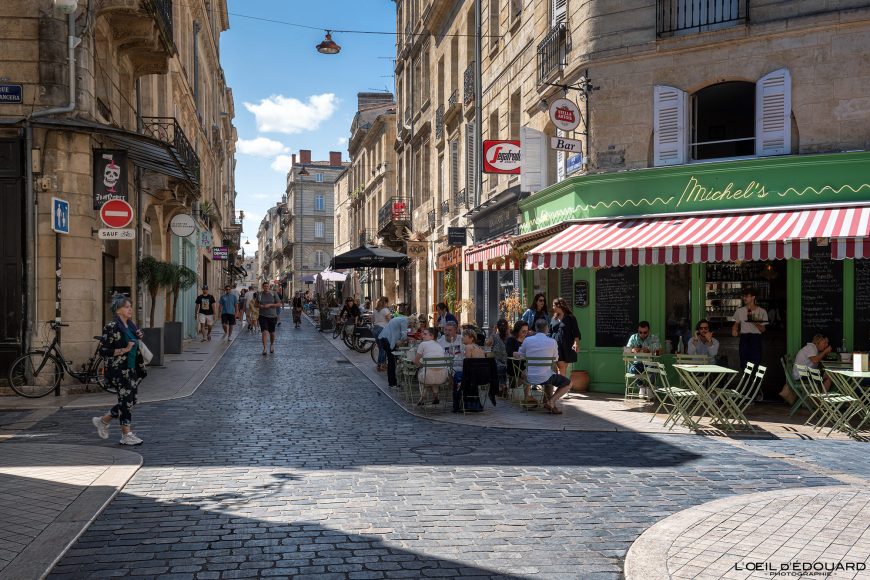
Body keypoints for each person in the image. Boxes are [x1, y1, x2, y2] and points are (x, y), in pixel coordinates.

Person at [91, 295, 147, 446]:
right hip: (119, 370)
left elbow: (135, 345)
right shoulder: (111, 327)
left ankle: (103, 421)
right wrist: (125, 349)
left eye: (130, 306)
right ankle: (126, 434)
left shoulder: (131, 326)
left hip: (132, 368)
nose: (130, 309)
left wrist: (139, 338)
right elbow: (104, 351)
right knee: (126, 401)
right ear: (118, 310)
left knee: (131, 401)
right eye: (127, 307)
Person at [518, 318, 572, 414]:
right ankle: (551, 402)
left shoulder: (527, 340)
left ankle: (528, 398)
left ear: (535, 328)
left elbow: (520, 355)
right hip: (546, 378)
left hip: (529, 377)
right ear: (547, 328)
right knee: (568, 383)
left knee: (524, 372)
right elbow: (555, 359)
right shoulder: (552, 342)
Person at [731, 287, 768, 371]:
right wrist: (734, 330)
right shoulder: (740, 311)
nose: (744, 298)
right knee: (744, 363)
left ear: (753, 297)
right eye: (743, 296)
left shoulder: (762, 311)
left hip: (756, 339)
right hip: (744, 338)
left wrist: (755, 322)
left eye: (747, 296)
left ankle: (753, 379)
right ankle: (746, 378)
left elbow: (763, 329)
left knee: (756, 363)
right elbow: (736, 324)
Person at [414, 327, 447, 406]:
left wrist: (421, 365)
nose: (423, 336)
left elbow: (416, 361)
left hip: (427, 377)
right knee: (432, 371)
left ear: (432, 336)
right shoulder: (439, 345)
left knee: (424, 372)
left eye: (425, 334)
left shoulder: (423, 344)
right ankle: (435, 396)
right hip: (442, 377)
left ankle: (423, 396)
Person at [550, 297, 580, 377]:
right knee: (561, 367)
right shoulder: (554, 318)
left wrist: (576, 343)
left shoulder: (570, 318)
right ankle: (562, 383)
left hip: (566, 345)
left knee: (562, 367)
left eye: (554, 305)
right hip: (555, 345)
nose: (553, 307)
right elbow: (550, 332)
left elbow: (576, 332)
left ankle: (562, 383)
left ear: (559, 305)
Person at [379, 315, 411, 388]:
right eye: (411, 327)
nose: (410, 328)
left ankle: (393, 382)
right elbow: (404, 335)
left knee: (391, 361)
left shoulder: (401, 319)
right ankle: (392, 383)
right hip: (387, 340)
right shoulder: (405, 321)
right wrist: (405, 340)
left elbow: (398, 334)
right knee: (392, 362)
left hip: (384, 338)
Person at [255, 281, 281, 355]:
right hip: (262, 315)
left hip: (272, 316)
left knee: (272, 333)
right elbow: (256, 304)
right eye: (265, 286)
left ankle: (272, 345)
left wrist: (270, 305)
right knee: (264, 332)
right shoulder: (259, 294)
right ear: (262, 287)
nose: (266, 287)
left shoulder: (273, 293)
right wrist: (260, 306)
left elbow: (279, 304)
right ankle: (265, 348)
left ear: (269, 287)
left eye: (267, 286)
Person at [505, 320, 529, 390]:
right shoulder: (511, 340)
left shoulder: (528, 340)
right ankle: (527, 395)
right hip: (514, 366)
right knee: (528, 374)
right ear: (517, 330)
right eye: (523, 331)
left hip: (525, 366)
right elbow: (511, 353)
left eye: (527, 331)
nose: (525, 333)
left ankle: (548, 397)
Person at [372, 296, 392, 371]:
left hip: (375, 329)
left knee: (381, 347)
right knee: (383, 348)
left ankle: (380, 364)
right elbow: (390, 320)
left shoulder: (375, 310)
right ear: (386, 302)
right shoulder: (385, 310)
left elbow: (372, 320)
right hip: (382, 329)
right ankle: (381, 365)